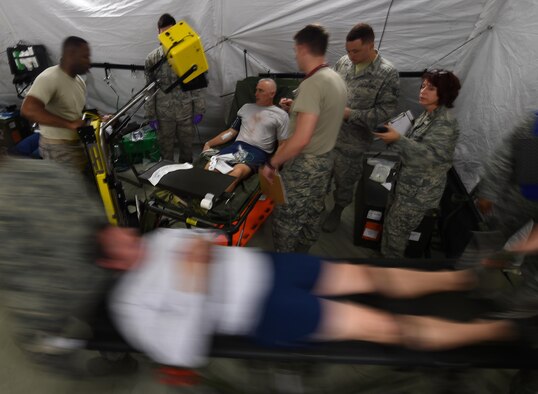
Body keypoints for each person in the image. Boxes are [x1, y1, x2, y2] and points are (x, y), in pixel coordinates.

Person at [110, 227, 475, 368]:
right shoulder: (131, 304)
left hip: (272, 266)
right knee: (382, 326)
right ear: (110, 262)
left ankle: (461, 281)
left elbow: (211, 237)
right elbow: (181, 354)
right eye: (122, 245)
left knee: (373, 275)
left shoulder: (155, 240)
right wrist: (194, 283)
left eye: (125, 233)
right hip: (262, 310)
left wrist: (206, 242)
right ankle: (490, 333)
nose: (132, 238)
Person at [261, 24, 347, 253]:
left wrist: (272, 163)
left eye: (295, 49)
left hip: (304, 167)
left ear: (302, 49)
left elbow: (300, 140)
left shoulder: (312, 84)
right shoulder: (335, 79)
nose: (295, 55)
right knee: (311, 216)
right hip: (325, 162)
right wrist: (296, 110)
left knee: (286, 222)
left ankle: (284, 268)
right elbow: (323, 117)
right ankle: (301, 260)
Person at [375, 69, 461, 258]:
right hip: (405, 184)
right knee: (391, 225)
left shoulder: (445, 123)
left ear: (444, 92)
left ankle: (390, 272)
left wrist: (398, 138)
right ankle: (384, 261)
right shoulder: (427, 115)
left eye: (430, 88)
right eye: (422, 86)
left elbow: (427, 157)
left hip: (418, 194)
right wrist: (395, 137)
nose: (423, 91)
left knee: (397, 234)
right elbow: (414, 144)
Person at [322, 23, 400, 233]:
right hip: (329, 135)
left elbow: (385, 113)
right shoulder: (344, 62)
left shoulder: (387, 73)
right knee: (321, 175)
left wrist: (351, 115)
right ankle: (317, 205)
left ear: (371, 45)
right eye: (348, 50)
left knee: (345, 181)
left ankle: (338, 210)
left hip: (354, 143)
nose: (351, 55)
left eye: (356, 51)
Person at [203, 78, 289, 192]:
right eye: (256, 90)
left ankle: (215, 201)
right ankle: (199, 199)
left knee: (235, 174)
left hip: (257, 151)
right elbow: (231, 132)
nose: (256, 93)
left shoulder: (281, 115)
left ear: (272, 93)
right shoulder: (246, 108)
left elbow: (283, 144)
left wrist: (273, 165)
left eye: (261, 91)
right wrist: (209, 143)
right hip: (236, 147)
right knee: (209, 168)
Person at [20, 36, 91, 172]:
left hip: (76, 144)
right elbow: (28, 109)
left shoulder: (79, 81)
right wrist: (69, 125)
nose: (89, 62)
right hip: (58, 148)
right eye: (85, 57)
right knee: (71, 191)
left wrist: (99, 118)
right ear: (71, 55)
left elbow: (77, 113)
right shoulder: (49, 77)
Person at [145, 13, 206, 163]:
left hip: (185, 112)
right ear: (158, 32)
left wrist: (199, 109)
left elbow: (197, 85)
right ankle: (168, 181)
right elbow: (149, 89)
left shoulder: (187, 54)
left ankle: (185, 180)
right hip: (164, 114)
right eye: (163, 32)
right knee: (166, 153)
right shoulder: (152, 59)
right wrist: (151, 115)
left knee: (187, 151)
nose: (166, 35)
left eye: (169, 32)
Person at [476, 114, 538, 241]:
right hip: (517, 203)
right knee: (487, 242)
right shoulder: (533, 126)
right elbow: (505, 158)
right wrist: (489, 193)